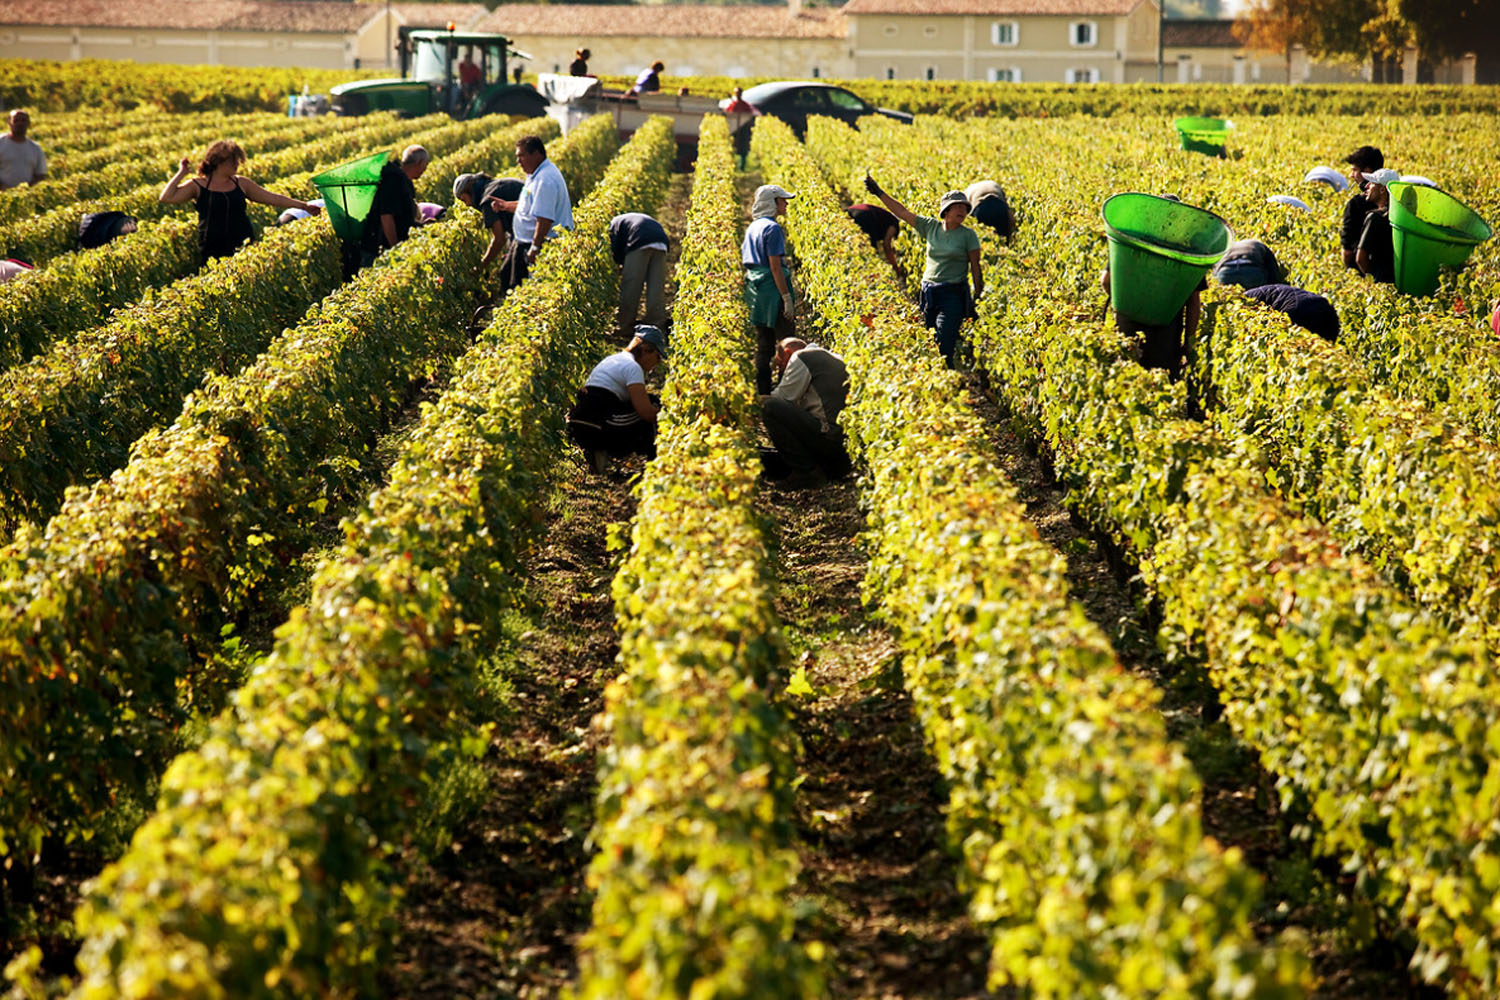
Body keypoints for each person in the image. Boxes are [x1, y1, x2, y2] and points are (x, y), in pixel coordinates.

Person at [864, 176, 982, 366]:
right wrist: (878, 192)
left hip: (952, 294)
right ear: (946, 211)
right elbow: (901, 211)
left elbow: (975, 267)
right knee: (930, 337)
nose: (962, 211)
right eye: (957, 207)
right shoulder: (930, 227)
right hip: (928, 292)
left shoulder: (968, 236)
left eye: (964, 207)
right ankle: (938, 379)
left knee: (945, 339)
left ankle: (949, 377)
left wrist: (977, 294)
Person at [159, 139, 319, 265]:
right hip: (212, 245)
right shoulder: (197, 185)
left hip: (242, 240)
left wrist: (303, 206)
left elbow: (272, 198)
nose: (237, 164)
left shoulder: (241, 183)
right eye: (232, 160)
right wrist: (181, 173)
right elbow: (166, 197)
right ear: (218, 162)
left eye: (237, 160)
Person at [566, 324, 668, 472]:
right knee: (652, 404)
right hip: (599, 425)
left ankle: (598, 451)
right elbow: (645, 411)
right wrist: (669, 419)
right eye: (657, 357)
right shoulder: (633, 367)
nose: (657, 363)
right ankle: (654, 464)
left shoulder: (614, 359)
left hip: (579, 424)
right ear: (646, 350)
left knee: (641, 406)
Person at [484, 135, 574, 297]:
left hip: (539, 245)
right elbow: (531, 206)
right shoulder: (536, 175)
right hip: (523, 243)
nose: (518, 161)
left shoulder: (545, 180)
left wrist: (535, 248)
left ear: (537, 154)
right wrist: (505, 206)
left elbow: (544, 219)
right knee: (508, 279)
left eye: (522, 156)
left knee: (523, 291)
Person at [760, 337, 851, 489]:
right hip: (844, 452)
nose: (782, 371)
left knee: (769, 406)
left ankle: (806, 473)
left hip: (829, 440)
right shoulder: (831, 357)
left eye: (781, 365)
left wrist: (747, 401)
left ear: (788, 353)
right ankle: (815, 469)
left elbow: (783, 398)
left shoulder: (802, 357)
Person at [743, 184, 797, 394]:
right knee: (788, 344)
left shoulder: (753, 227)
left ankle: (763, 392)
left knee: (764, 344)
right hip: (772, 290)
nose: (785, 204)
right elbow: (775, 267)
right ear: (772, 203)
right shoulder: (773, 229)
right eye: (782, 200)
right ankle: (786, 391)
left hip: (756, 291)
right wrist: (786, 298)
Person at [345, 144, 428, 279]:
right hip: (377, 248)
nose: (426, 169)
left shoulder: (403, 180)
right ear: (420, 163)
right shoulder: (394, 179)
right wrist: (395, 248)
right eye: (426, 165)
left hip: (381, 245)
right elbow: (386, 216)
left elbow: (401, 218)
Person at [609, 212, 669, 338]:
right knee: (656, 288)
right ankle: (657, 327)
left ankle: (625, 326)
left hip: (639, 240)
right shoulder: (629, 219)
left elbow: (616, 247)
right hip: (661, 242)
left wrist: (620, 263)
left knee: (631, 286)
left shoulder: (613, 225)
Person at [454, 171, 524, 269]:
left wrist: (481, 266)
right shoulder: (492, 186)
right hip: (535, 224)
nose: (467, 205)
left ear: (468, 190)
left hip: (530, 231)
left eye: (464, 200)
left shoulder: (487, 200)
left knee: (508, 275)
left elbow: (499, 239)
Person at [1242, 284, 1341, 343]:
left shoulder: (1244, 301)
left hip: (1297, 310)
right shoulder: (1262, 291)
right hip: (1323, 304)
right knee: (1327, 344)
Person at [1340, 145, 1384, 269]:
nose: (1351, 175)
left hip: (1363, 272)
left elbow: (1348, 252)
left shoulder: (1356, 204)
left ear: (1367, 171)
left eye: (1354, 170)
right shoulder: (1396, 202)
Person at [1355, 168, 1397, 285]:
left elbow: (1360, 258)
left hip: (1382, 281)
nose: (1367, 186)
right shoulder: (1401, 217)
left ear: (1383, 190)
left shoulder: (1375, 218)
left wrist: (1374, 278)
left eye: (1372, 183)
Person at [846, 202, 901, 275]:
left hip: (850, 211)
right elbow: (886, 245)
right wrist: (896, 269)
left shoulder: (885, 217)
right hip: (865, 216)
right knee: (871, 252)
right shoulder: (894, 224)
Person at [0, 110, 47, 191]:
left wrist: (28, 191)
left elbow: (40, 175)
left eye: (23, 120)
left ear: (28, 124)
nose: (20, 123)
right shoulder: (1, 142)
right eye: (16, 120)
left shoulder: (35, 148)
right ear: (9, 123)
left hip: (25, 197)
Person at [1211, 238, 1283, 290]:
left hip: (1225, 272)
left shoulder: (1226, 248)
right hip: (1250, 270)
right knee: (1257, 299)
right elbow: (1273, 271)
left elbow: (1214, 270)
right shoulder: (1260, 245)